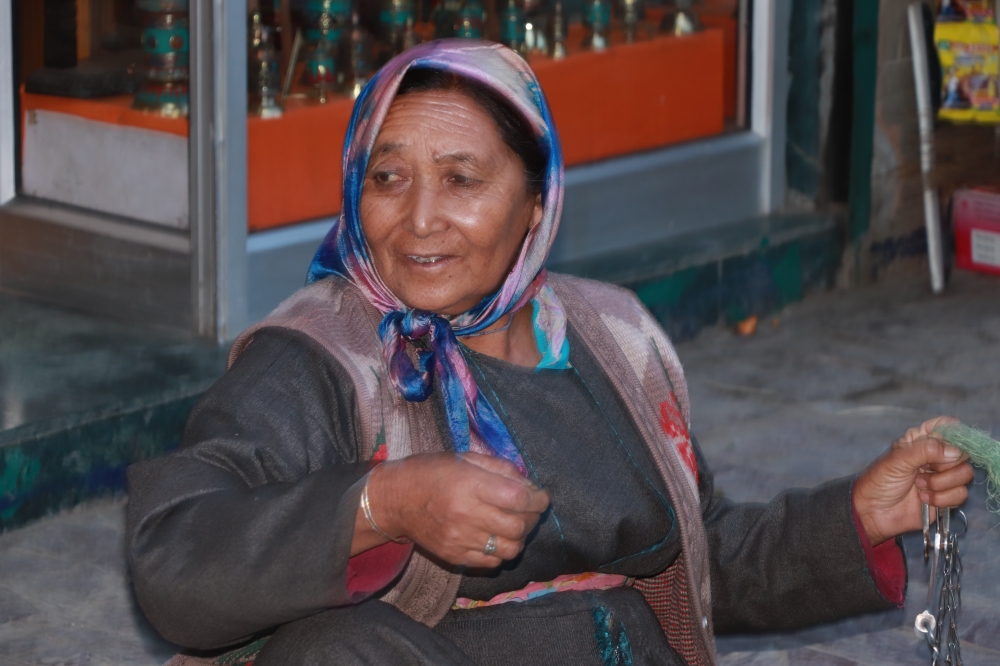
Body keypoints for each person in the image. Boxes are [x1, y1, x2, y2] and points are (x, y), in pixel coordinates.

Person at [127, 40, 974, 666]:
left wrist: (857, 515)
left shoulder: (613, 336)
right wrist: (381, 506)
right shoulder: (322, 353)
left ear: (536, 203)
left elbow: (702, 553)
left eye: (462, 180)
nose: (418, 219)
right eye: (387, 179)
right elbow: (175, 555)